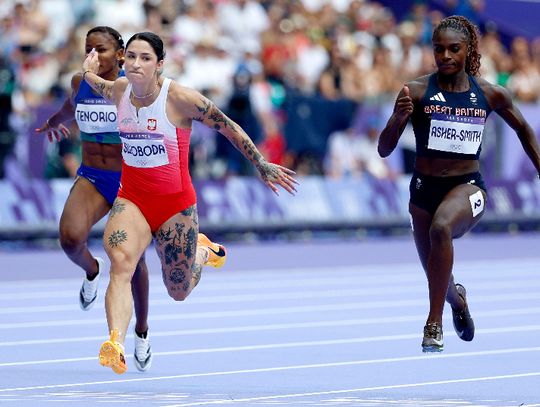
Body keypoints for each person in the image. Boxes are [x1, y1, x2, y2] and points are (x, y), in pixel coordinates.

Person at [81, 31, 298, 374]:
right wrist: (86, 71)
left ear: (160, 64)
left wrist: (261, 163)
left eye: (145, 58)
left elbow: (227, 127)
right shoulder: (121, 90)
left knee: (178, 291)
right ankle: (115, 343)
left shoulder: (180, 98)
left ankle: (200, 250)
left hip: (175, 207)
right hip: (132, 199)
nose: (136, 64)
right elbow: (98, 85)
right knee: (120, 264)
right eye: (131, 57)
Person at [378, 15, 540, 352]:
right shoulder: (417, 91)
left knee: (442, 229)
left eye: (454, 49)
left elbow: (524, 129)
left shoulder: (490, 94)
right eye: (439, 50)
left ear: (469, 51)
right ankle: (457, 301)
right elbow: (384, 149)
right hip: (422, 194)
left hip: (468, 189)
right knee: (439, 278)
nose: (446, 56)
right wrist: (397, 119)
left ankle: (433, 324)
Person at [35, 26, 154, 371]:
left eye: (100, 49)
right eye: (87, 48)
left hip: (128, 182)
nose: (92, 56)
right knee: (70, 239)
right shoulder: (80, 82)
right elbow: (70, 106)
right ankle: (92, 270)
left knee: (133, 264)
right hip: (92, 176)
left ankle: (142, 331)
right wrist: (55, 122)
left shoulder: (131, 87)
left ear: (119, 55)